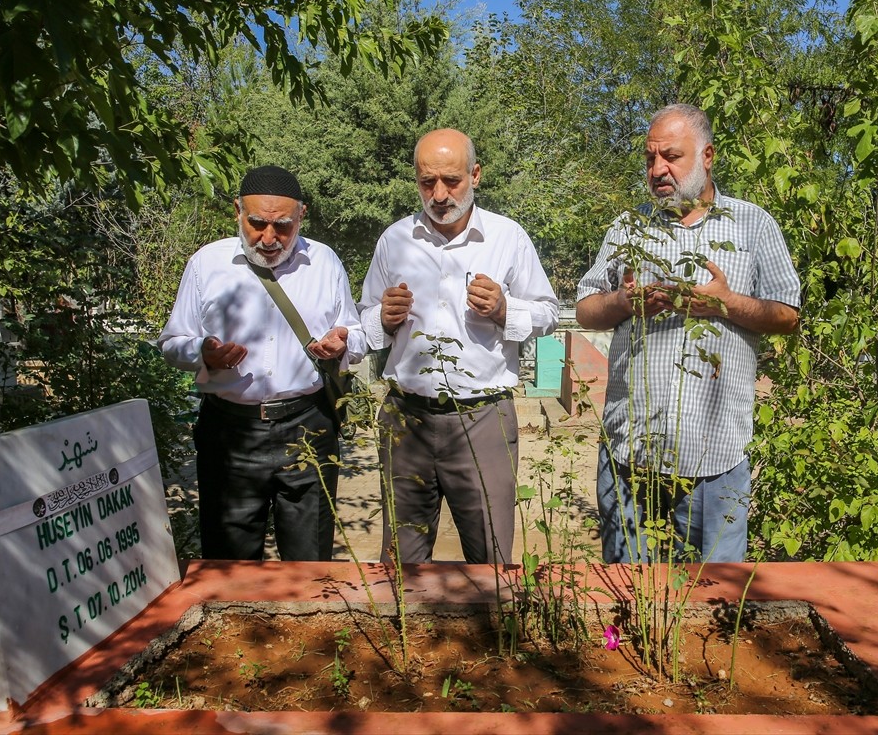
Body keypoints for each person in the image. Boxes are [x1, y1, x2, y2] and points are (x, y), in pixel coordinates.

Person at [576, 104, 800, 563]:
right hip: (630, 456)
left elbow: (787, 315)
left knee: (717, 599)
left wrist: (726, 303)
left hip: (716, 458)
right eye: (650, 158)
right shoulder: (628, 228)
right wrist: (622, 303)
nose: (658, 170)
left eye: (671, 157)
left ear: (708, 156)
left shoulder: (753, 225)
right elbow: (584, 310)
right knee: (628, 594)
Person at [360, 129, 559, 564]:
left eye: (451, 180)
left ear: (476, 175)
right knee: (402, 561)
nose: (438, 194)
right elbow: (364, 321)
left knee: (491, 561)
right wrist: (383, 318)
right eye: (427, 182)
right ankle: (407, 634)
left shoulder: (508, 238)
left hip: (482, 419)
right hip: (406, 418)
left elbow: (548, 312)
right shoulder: (394, 240)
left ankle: (491, 633)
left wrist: (506, 310)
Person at [159, 165, 365, 561]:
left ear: (301, 215)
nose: (269, 238)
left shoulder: (324, 262)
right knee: (230, 566)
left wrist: (343, 343)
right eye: (257, 223)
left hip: (309, 426)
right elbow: (171, 342)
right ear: (238, 210)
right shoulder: (207, 264)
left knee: (310, 565)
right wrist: (203, 351)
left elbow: (354, 333)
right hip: (230, 434)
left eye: (283, 226)